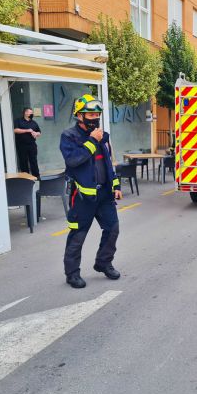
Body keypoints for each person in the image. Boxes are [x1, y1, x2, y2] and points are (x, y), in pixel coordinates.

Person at [60, 94, 122, 289]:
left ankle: (103, 262)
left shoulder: (103, 136)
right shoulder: (69, 136)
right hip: (82, 197)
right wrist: (92, 141)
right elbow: (73, 160)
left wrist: (116, 186)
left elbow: (109, 164)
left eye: (97, 113)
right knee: (78, 236)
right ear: (79, 115)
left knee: (113, 229)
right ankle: (72, 273)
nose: (94, 117)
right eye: (90, 113)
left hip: (104, 195)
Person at [14, 107, 41, 179]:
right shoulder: (18, 121)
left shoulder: (34, 122)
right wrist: (27, 130)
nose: (31, 114)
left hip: (32, 145)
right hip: (22, 145)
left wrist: (36, 133)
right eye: (30, 112)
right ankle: (25, 178)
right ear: (25, 113)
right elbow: (15, 130)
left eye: (32, 112)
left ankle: (36, 177)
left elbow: (39, 132)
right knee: (23, 162)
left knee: (33, 161)